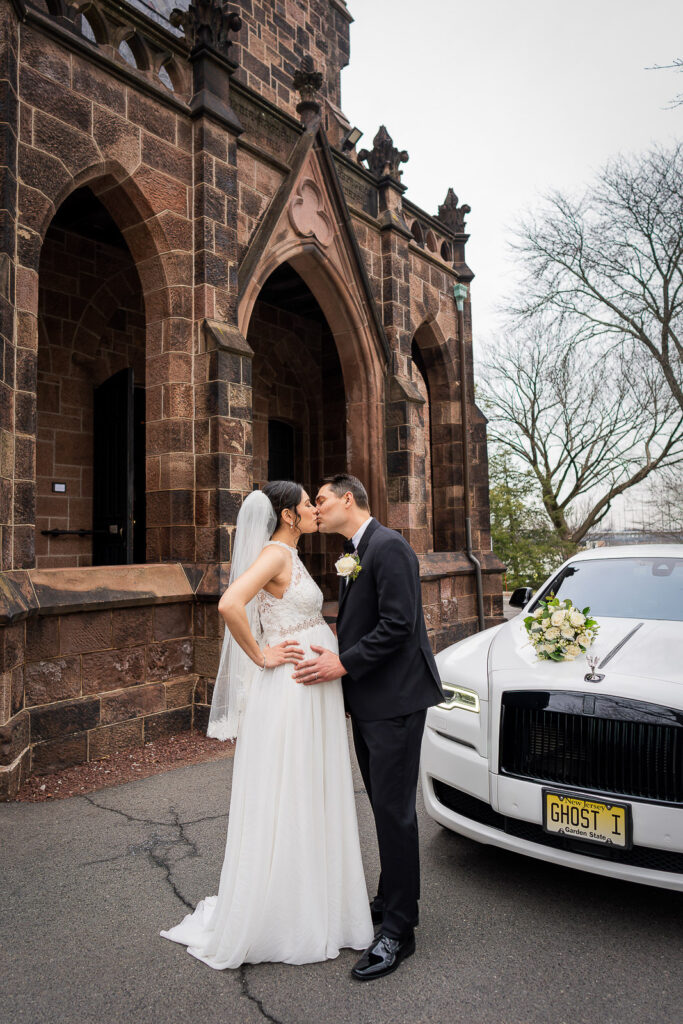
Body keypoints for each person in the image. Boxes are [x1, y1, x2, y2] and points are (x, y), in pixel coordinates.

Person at [160, 482, 373, 968]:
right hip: (291, 693)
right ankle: (286, 916)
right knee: (292, 791)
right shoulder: (277, 554)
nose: (314, 509)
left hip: (311, 690)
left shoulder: (290, 555)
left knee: (311, 790)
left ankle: (319, 905)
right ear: (288, 515)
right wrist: (260, 656)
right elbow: (230, 604)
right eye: (306, 504)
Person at [294, 474, 444, 981]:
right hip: (371, 701)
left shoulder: (390, 547)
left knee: (395, 812)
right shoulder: (354, 551)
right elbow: (363, 621)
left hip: (397, 702)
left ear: (347, 499)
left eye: (321, 500)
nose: (316, 509)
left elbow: (399, 625)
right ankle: (389, 897)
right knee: (383, 805)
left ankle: (399, 931)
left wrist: (342, 664)